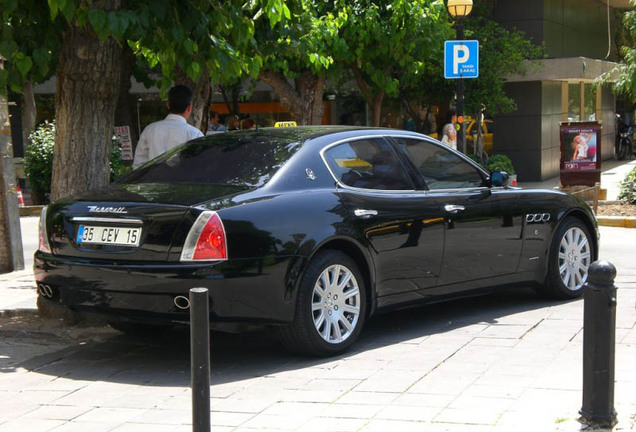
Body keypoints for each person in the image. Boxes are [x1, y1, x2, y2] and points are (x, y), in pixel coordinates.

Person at [133, 85, 203, 169]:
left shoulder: (150, 130)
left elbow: (139, 165)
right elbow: (200, 165)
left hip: (152, 180)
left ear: (168, 105)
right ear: (189, 108)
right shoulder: (195, 134)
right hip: (183, 180)